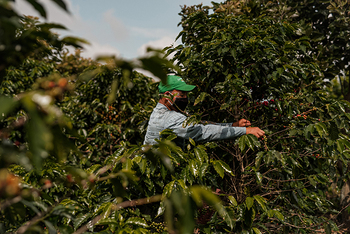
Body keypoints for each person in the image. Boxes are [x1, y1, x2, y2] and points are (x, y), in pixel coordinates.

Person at [143, 75, 265, 147]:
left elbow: (200, 125)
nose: (185, 98)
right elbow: (203, 131)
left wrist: (232, 125)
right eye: (181, 94)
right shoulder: (169, 118)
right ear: (167, 95)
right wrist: (244, 131)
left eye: (186, 94)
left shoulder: (162, 112)